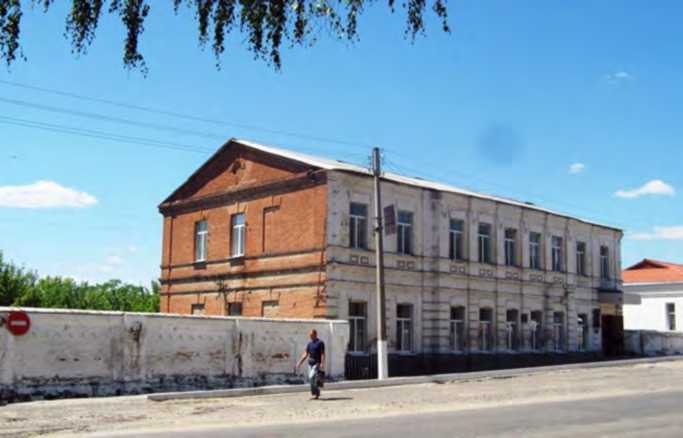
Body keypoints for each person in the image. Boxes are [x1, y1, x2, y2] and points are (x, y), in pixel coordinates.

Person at [295, 329, 325, 400]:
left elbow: (322, 354)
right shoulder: (309, 344)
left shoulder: (320, 343)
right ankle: (316, 393)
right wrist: (299, 362)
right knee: (311, 379)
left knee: (311, 377)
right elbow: (305, 354)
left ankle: (316, 392)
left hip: (317, 363)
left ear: (315, 334)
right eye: (310, 335)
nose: (310, 336)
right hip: (310, 363)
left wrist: (322, 363)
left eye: (311, 335)